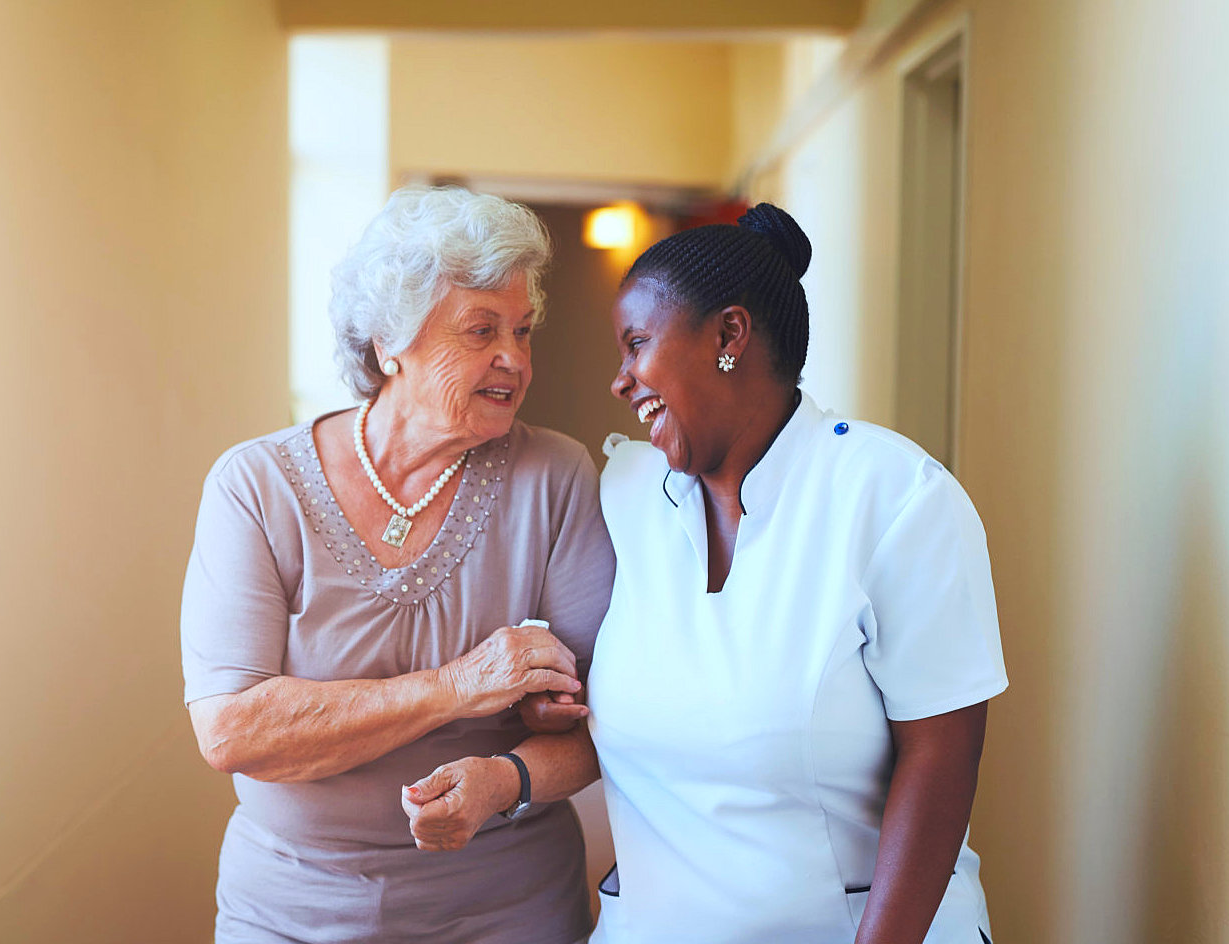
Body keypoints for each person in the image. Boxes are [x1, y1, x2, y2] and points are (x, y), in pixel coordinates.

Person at [179, 186, 612, 944]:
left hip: (507, 904)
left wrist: (505, 778)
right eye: (481, 331)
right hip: (292, 908)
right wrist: (458, 687)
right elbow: (232, 732)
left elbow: (610, 720)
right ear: (389, 345)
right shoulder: (256, 486)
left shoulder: (556, 476)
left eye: (522, 329)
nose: (514, 357)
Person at [586, 203, 1008, 943]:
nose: (621, 380)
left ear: (729, 335)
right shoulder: (625, 495)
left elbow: (941, 756)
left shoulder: (893, 496)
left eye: (637, 344)